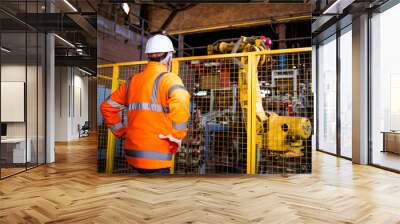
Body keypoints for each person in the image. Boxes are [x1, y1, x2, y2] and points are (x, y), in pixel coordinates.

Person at [101, 34, 190, 174]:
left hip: (132, 155)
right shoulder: (170, 79)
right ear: (169, 57)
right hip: (157, 158)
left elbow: (107, 107)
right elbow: (181, 98)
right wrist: (177, 135)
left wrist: (121, 132)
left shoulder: (132, 81)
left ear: (148, 56)